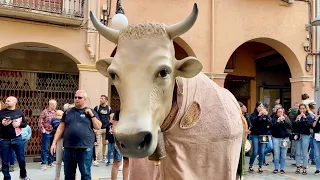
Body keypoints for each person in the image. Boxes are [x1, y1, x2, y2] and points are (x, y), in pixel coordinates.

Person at [50, 90, 102, 180]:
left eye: (79, 97)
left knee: (85, 175)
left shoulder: (91, 111)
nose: (77, 99)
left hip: (84, 148)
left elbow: (98, 126)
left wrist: (92, 115)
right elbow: (60, 128)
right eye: (75, 97)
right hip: (69, 148)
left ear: (85, 99)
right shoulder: (68, 112)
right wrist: (54, 143)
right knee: (69, 175)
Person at [0, 96, 30, 180]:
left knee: (21, 159)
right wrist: (2, 123)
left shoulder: (19, 112)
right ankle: (7, 178)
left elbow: (25, 124)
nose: (6, 102)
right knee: (5, 161)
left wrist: (19, 125)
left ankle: (23, 175)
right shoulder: (1, 112)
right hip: (4, 139)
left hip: (17, 139)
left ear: (14, 102)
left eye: (8, 101)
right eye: (6, 101)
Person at [248, 102, 272, 173]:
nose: (261, 108)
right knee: (255, 151)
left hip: (263, 135)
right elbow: (254, 123)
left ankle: (260, 166)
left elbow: (270, 123)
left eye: (262, 106)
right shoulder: (253, 115)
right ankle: (250, 165)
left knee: (261, 152)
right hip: (255, 134)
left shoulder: (265, 115)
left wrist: (267, 116)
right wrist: (259, 116)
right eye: (259, 106)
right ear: (256, 107)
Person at [292, 104, 314, 175]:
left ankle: (304, 167)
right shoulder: (296, 116)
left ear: (306, 109)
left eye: (303, 109)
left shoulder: (309, 116)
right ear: (299, 109)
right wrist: (296, 120)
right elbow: (292, 126)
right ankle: (298, 167)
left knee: (305, 152)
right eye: (300, 109)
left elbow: (310, 126)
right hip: (297, 135)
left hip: (305, 135)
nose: (302, 110)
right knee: (297, 152)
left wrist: (305, 119)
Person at [271, 107, 292, 174]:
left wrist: (284, 121)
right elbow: (272, 128)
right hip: (276, 138)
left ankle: (282, 168)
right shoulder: (274, 119)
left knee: (283, 154)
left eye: (281, 112)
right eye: (278, 112)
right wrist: (277, 122)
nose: (280, 113)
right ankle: (276, 168)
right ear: (276, 113)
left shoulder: (286, 118)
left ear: (283, 113)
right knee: (276, 154)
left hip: (285, 138)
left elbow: (290, 126)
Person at [39, 99, 57, 170]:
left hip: (54, 132)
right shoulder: (45, 112)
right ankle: (43, 163)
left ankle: (51, 161)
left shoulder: (56, 112)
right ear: (50, 105)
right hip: (46, 132)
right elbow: (40, 121)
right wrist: (43, 130)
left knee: (52, 147)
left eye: (56, 105)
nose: (55, 106)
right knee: (45, 148)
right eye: (54, 105)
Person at [111, 109, 129, 180]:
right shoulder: (119, 111)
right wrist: (117, 141)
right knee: (117, 162)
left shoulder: (133, 110)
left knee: (127, 162)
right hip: (120, 139)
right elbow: (114, 127)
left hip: (129, 140)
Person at [94, 95, 112, 161]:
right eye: (100, 98)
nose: (100, 99)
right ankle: (96, 157)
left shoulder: (109, 108)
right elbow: (94, 117)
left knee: (105, 143)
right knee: (98, 143)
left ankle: (104, 157)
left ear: (106, 100)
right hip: (98, 128)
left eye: (102, 98)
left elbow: (110, 117)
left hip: (106, 129)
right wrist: (94, 127)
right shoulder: (97, 108)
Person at [51, 110, 64, 180]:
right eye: (58, 115)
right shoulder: (54, 120)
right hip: (59, 140)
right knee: (58, 160)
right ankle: (57, 176)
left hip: (67, 140)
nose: (59, 117)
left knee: (70, 161)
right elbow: (57, 126)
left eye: (61, 115)